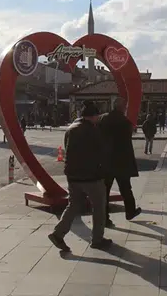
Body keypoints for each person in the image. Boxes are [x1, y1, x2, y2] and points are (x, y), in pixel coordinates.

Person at [48, 101, 112, 252]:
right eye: (97, 116)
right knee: (99, 207)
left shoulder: (70, 129)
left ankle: (58, 234)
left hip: (73, 175)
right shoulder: (93, 130)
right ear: (93, 116)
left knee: (73, 205)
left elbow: (67, 149)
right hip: (92, 176)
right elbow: (102, 152)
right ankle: (97, 239)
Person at [99, 97, 142, 226]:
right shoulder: (125, 122)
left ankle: (104, 218)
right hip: (121, 162)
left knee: (104, 191)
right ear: (122, 108)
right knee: (125, 188)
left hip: (106, 160)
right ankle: (130, 211)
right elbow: (127, 141)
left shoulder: (103, 119)